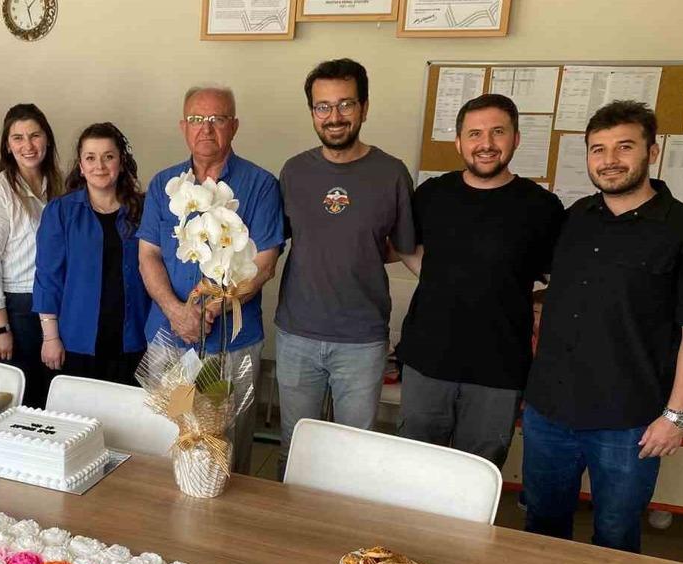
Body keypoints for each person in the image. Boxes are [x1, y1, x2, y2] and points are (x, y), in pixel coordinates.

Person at [523, 101, 683, 553]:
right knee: (541, 527)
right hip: (549, 411)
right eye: (598, 149)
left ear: (652, 152)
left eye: (624, 146)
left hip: (628, 421)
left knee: (615, 538)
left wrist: (676, 417)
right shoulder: (576, 216)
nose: (610, 160)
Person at [396, 94, 565, 468]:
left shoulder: (542, 207)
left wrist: (526, 300)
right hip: (427, 360)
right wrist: (436, 276)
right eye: (475, 134)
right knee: (413, 470)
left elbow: (562, 279)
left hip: (499, 369)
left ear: (516, 138)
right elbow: (406, 247)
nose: (486, 144)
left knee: (476, 473)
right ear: (459, 142)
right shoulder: (432, 194)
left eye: (497, 132)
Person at [273, 58, 416, 472]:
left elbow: (404, 247)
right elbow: (273, 242)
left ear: (364, 108)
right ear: (312, 111)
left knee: (355, 455)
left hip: (361, 340)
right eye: (323, 106)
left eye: (345, 104)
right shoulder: (294, 171)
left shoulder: (391, 173)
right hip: (297, 334)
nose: (334, 116)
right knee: (296, 448)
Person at [139, 86, 284, 473]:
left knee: (225, 448)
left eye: (217, 119)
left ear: (234, 126)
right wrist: (177, 312)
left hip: (232, 343)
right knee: (170, 437)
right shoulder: (164, 184)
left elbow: (265, 263)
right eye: (197, 119)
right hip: (170, 338)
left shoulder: (261, 185)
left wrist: (212, 309)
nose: (206, 128)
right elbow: (148, 255)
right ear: (183, 126)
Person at [34, 122, 149, 385]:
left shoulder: (143, 210)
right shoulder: (60, 212)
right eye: (90, 158)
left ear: (121, 162)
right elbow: (48, 278)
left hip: (134, 339)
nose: (100, 165)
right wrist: (50, 337)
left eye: (108, 156)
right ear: (81, 166)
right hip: (76, 341)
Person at [0, 104, 64, 406]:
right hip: (16, 307)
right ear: (7, 146)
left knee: (53, 392)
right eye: (18, 138)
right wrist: (0, 328)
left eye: (35, 135)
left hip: (50, 300)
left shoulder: (56, 184)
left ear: (47, 139)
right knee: (28, 394)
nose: (28, 145)